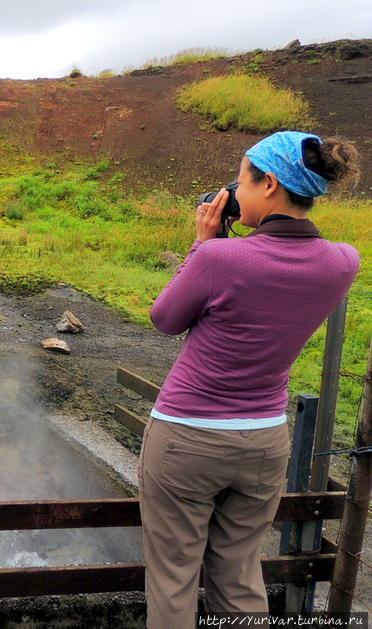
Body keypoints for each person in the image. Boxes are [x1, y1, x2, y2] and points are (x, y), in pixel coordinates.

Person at [139, 131, 361, 628]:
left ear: (270, 183)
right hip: (263, 441)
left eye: (240, 180)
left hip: (185, 437)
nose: (233, 193)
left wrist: (202, 246)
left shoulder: (219, 258)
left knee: (174, 578)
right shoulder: (344, 261)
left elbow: (166, 319)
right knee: (238, 572)